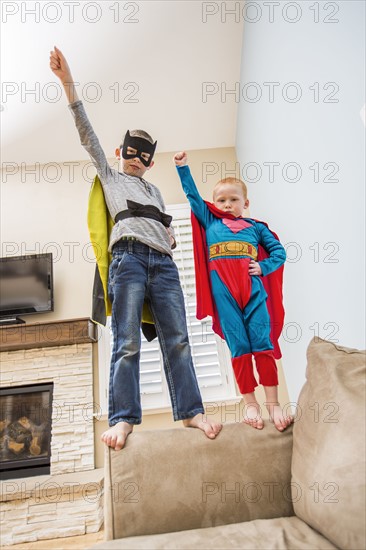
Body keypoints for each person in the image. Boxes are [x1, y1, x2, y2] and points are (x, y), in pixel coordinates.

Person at [49, 46, 222, 450]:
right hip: (127, 260)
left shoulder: (157, 191)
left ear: (150, 163)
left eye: (144, 156)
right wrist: (68, 83)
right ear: (119, 153)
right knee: (125, 341)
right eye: (131, 152)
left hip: (163, 265)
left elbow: (163, 226)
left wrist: (169, 236)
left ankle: (192, 412)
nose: (136, 159)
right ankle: (123, 419)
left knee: (177, 338)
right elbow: (86, 136)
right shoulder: (111, 177)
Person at [174, 151, 293, 431]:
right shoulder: (211, 222)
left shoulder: (256, 228)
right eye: (221, 200)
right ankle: (250, 403)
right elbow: (193, 196)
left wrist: (263, 268)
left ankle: (273, 404)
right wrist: (183, 168)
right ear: (214, 204)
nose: (227, 205)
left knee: (262, 342)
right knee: (239, 346)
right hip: (224, 293)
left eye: (234, 199)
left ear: (245, 203)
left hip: (254, 292)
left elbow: (280, 253)